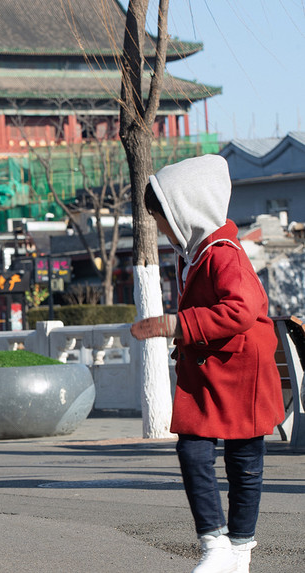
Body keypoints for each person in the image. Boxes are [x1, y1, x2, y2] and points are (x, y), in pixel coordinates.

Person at [130, 155, 285, 573]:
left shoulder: (224, 254)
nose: (160, 226)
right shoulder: (195, 253)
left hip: (242, 371)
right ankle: (214, 545)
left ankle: (239, 550)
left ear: (186, 209)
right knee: (194, 452)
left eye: (162, 216)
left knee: (244, 462)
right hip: (211, 370)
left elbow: (244, 309)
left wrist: (174, 324)